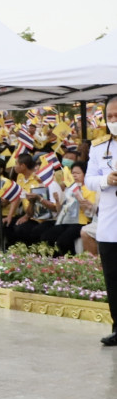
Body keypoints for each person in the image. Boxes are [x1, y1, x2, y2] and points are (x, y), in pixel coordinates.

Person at [86, 96, 117, 345]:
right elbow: (88, 180)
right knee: (113, 280)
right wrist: (105, 180)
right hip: (110, 225)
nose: (113, 120)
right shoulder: (99, 148)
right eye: (110, 117)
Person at [5, 154, 60, 246]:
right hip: (29, 213)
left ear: (23, 166)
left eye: (16, 163)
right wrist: (10, 215)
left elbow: (48, 204)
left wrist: (27, 216)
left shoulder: (40, 180)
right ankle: (13, 250)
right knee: (7, 225)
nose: (14, 166)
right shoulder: (20, 177)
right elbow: (18, 196)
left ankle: (29, 250)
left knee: (21, 229)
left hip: (41, 217)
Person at [44, 161, 95, 255]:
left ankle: (71, 259)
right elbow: (60, 211)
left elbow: (90, 212)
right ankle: (53, 260)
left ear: (85, 174)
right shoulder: (69, 189)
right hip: (67, 221)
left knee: (63, 241)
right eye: (72, 173)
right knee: (47, 236)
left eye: (78, 173)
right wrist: (57, 201)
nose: (74, 175)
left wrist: (79, 196)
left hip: (81, 222)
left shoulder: (90, 189)